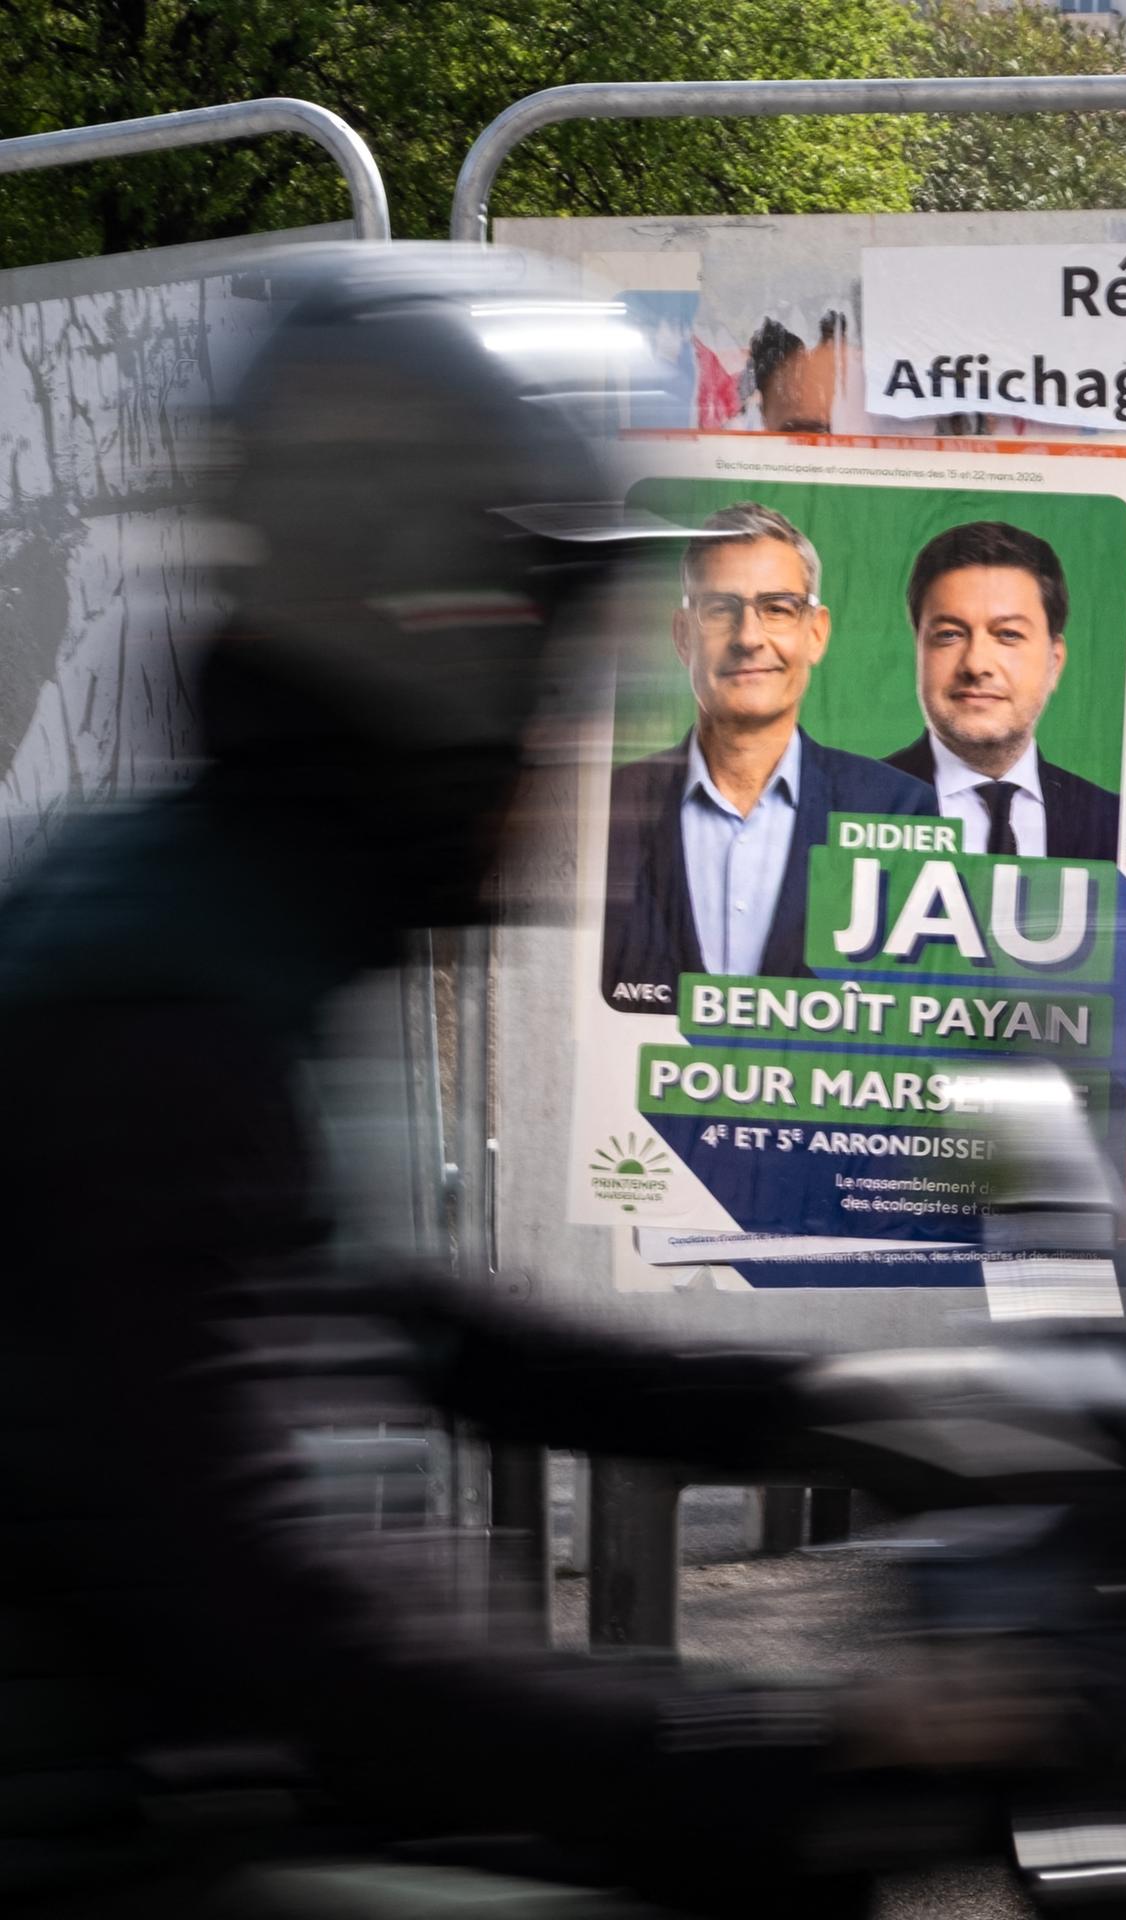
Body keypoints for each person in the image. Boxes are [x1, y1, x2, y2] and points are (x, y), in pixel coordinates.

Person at [0, 252, 1061, 1918]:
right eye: (559, 650)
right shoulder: (159, 1012)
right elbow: (287, 1627)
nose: (578, 725)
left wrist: (819, 1406)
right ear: (443, 630)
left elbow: (367, 1314)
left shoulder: (220, 908)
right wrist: (831, 1760)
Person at [601, 501, 936, 1014]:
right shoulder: (606, 809)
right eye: (719, 610)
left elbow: (909, 1018)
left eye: (777, 608)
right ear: (682, 636)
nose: (749, 637)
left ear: (816, 633)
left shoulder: (898, 810)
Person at [885, 521, 1119, 862]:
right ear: (919, 652)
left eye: (1008, 634)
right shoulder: (848, 809)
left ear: (1055, 662)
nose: (976, 664)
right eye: (950, 634)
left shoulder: (1114, 824)